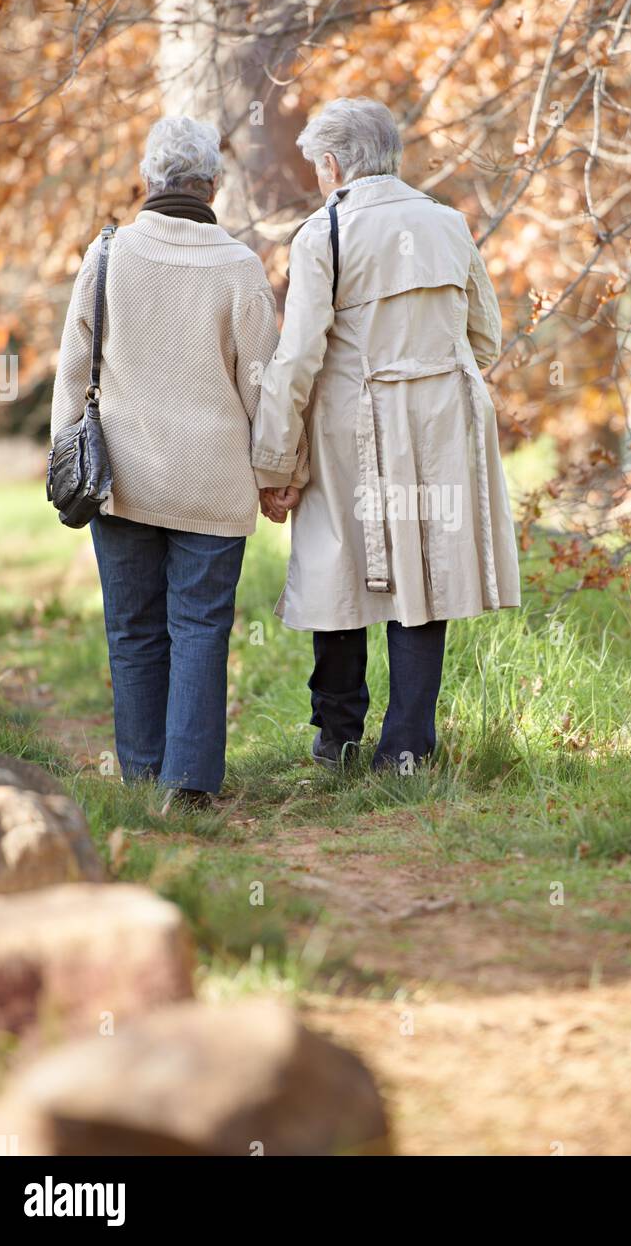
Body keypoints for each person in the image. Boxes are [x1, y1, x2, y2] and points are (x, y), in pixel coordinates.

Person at [255, 97, 520, 772]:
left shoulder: (325, 233)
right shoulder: (447, 222)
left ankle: (338, 738)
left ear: (334, 163)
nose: (319, 176)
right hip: (441, 420)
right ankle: (407, 747)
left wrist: (276, 462)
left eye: (318, 164)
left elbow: (297, 358)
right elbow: (485, 337)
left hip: (354, 422)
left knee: (333, 568)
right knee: (424, 575)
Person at [50, 115, 306, 811]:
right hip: (211, 485)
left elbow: (74, 371)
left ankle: (140, 777)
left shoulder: (107, 255)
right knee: (198, 629)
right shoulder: (238, 267)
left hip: (122, 480)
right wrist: (276, 474)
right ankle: (187, 786)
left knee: (132, 628)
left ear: (149, 179)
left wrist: (65, 459)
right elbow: (263, 384)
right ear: (213, 185)